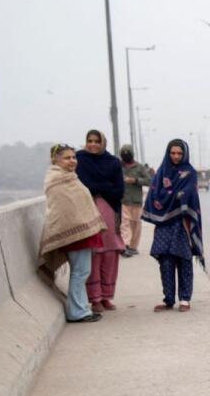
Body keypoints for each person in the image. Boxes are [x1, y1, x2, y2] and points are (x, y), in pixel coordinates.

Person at [38, 144, 106, 323]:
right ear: (55, 160)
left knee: (81, 271)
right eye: (67, 158)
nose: (72, 161)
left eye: (74, 157)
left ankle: (81, 309)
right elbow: (63, 208)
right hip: (73, 233)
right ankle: (78, 312)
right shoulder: (57, 179)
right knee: (80, 272)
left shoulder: (67, 176)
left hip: (78, 231)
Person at [142, 139, 204, 312]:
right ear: (168, 153)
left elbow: (189, 193)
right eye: (173, 153)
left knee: (184, 259)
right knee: (165, 261)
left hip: (182, 223)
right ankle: (168, 299)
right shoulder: (162, 172)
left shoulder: (189, 172)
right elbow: (155, 193)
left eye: (179, 153)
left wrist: (176, 196)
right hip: (163, 224)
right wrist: (172, 196)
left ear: (184, 154)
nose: (176, 156)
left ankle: (185, 299)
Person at [75, 130, 125, 312]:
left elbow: (119, 191)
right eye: (89, 141)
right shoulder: (79, 160)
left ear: (103, 143)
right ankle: (94, 298)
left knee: (110, 254)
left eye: (97, 141)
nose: (93, 144)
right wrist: (105, 186)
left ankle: (106, 296)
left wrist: (98, 188)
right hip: (88, 211)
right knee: (94, 253)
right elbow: (81, 186)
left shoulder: (113, 162)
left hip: (110, 212)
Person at [119, 145, 151, 257]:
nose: (126, 156)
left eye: (128, 154)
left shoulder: (139, 167)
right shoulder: (119, 166)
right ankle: (125, 245)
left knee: (136, 224)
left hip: (136, 200)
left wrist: (135, 180)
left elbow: (149, 180)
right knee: (124, 224)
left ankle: (133, 246)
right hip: (123, 200)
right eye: (123, 154)